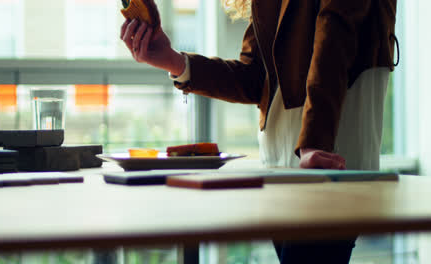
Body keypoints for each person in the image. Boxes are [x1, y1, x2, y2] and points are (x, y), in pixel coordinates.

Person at [120, 0, 398, 263]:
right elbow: (255, 77)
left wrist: (315, 142)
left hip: (327, 159)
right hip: (281, 165)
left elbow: (334, 40)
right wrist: (175, 61)